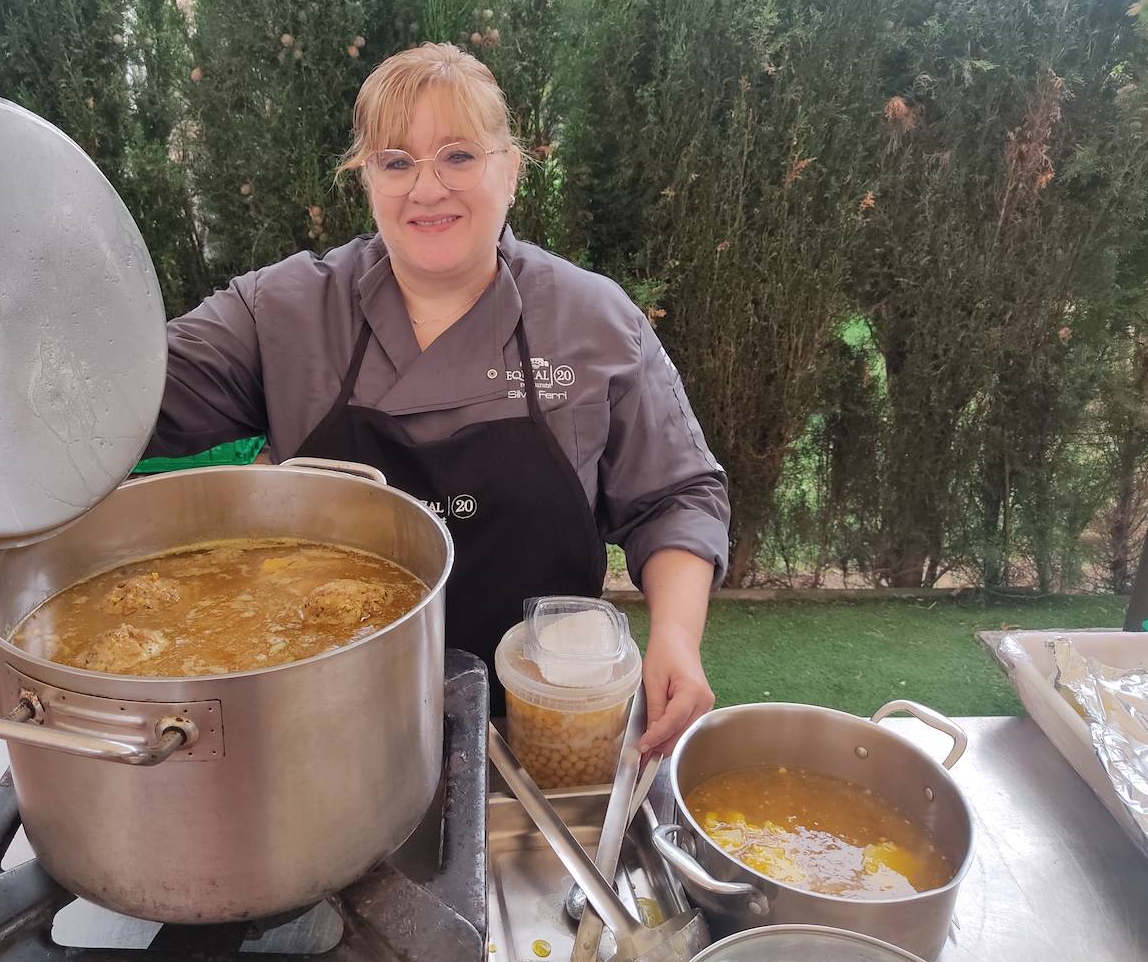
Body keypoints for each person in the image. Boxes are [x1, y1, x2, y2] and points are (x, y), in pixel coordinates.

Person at [147, 43, 729, 756]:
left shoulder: (594, 321)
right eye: (396, 162)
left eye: (458, 156)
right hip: (319, 731)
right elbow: (131, 394)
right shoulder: (283, 311)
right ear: (367, 180)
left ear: (510, 169)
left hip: (542, 728)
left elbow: (676, 496)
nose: (427, 189)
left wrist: (673, 634)